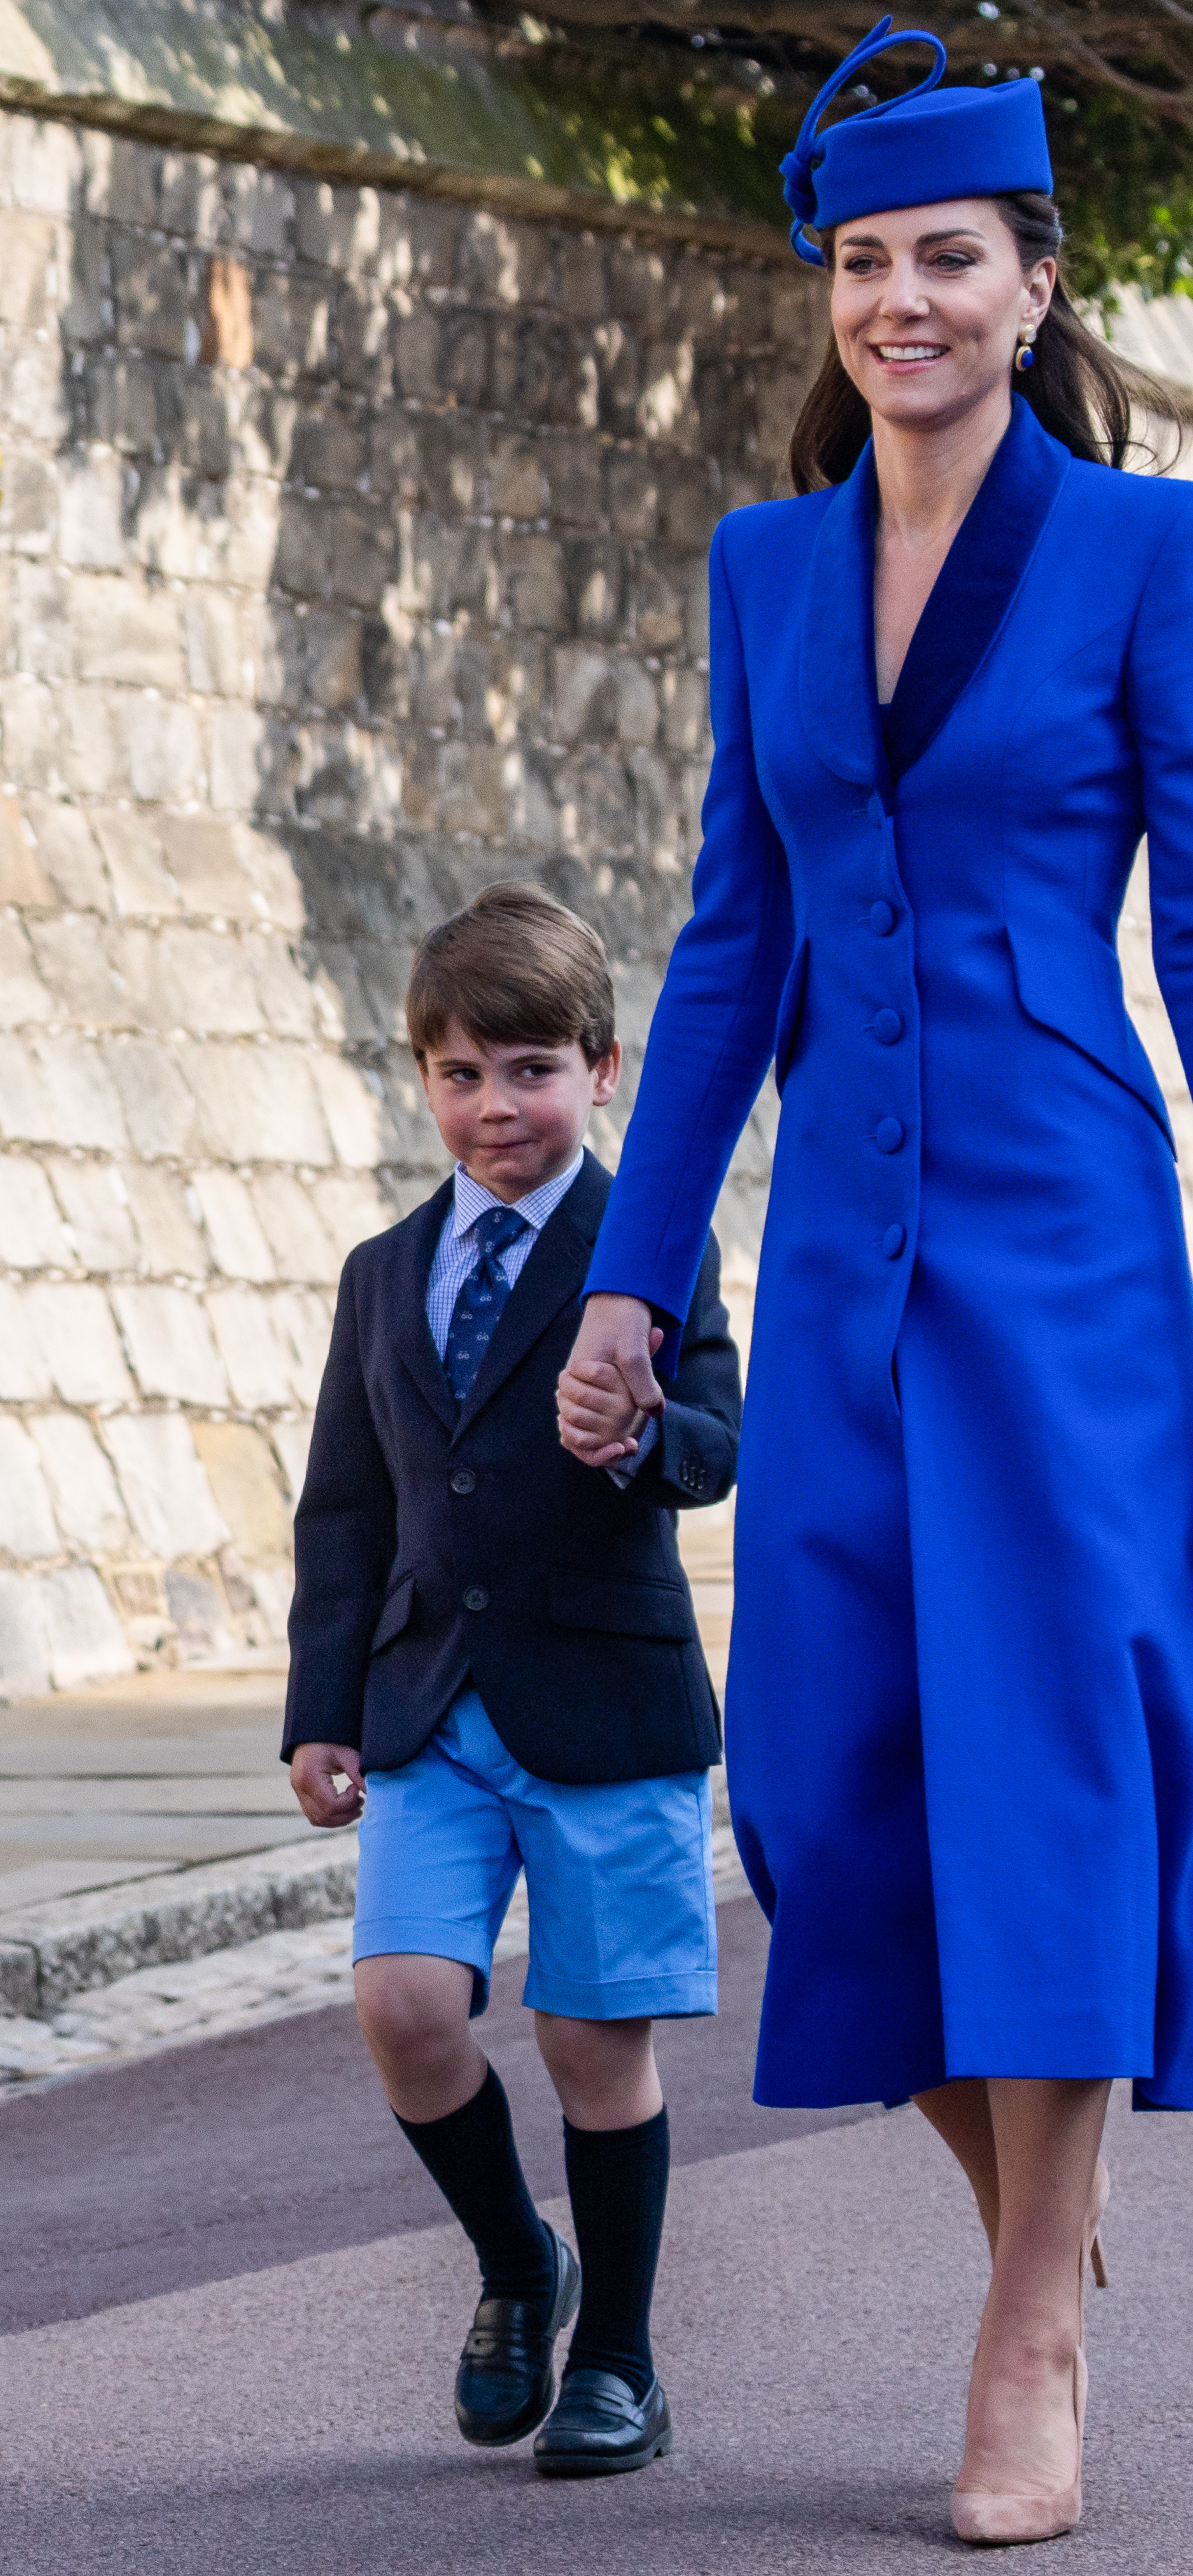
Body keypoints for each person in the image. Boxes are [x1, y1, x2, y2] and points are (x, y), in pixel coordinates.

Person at [558, 19, 1193, 2546]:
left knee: (1056, 1766)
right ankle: (1037, 2194)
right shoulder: (762, 565)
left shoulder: (1149, 552)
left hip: (1068, 1244)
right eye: (863, 262)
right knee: (809, 1780)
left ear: (1032, 288)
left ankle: (1026, 2324)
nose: (897, 301)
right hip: (838, 1263)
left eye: (946, 261)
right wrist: (626, 1274)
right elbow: (724, 945)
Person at [283, 881, 740, 2479]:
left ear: (602, 1070)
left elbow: (723, 1446)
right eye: (463, 1072)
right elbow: (346, 1509)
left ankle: (617, 2351)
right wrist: (322, 1708)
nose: (497, 1107)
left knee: (592, 2043)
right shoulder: (379, 1271)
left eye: (532, 1068)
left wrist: (641, 1440)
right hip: (429, 1711)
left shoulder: (656, 1244)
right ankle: (512, 2264)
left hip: (607, 1712)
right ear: (422, 1078)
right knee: (406, 2005)